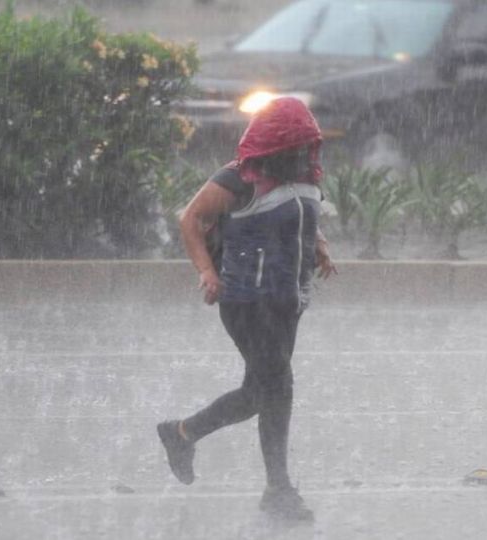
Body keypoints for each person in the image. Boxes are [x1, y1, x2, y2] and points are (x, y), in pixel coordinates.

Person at [157, 97, 337, 522]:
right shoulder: (240, 178)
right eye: (293, 143)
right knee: (279, 388)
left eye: (306, 143)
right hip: (246, 300)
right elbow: (190, 219)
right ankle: (279, 489)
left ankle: (182, 433)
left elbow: (306, 219)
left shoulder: (307, 178)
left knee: (260, 393)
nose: (301, 151)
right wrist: (207, 272)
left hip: (289, 300)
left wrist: (322, 248)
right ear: (274, 141)